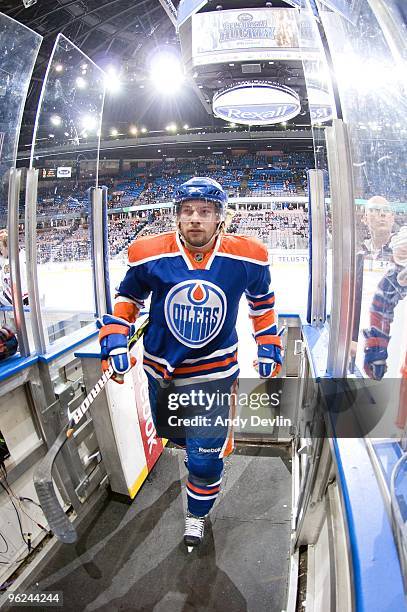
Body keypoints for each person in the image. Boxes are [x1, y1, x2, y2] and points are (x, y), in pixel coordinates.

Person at [97, 177, 283, 550]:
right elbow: (128, 298)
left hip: (214, 374)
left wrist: (267, 343)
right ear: (177, 218)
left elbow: (261, 303)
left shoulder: (247, 256)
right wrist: (115, 336)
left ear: (220, 218)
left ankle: (196, 512)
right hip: (161, 371)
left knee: (203, 459)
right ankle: (198, 450)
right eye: (187, 212)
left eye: (205, 211)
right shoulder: (149, 254)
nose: (195, 219)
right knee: (176, 439)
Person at [360, 196, 395, 262]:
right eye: (375, 209)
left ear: (392, 219)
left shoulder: (401, 249)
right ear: (365, 219)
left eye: (386, 210)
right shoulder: (358, 252)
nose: (382, 214)